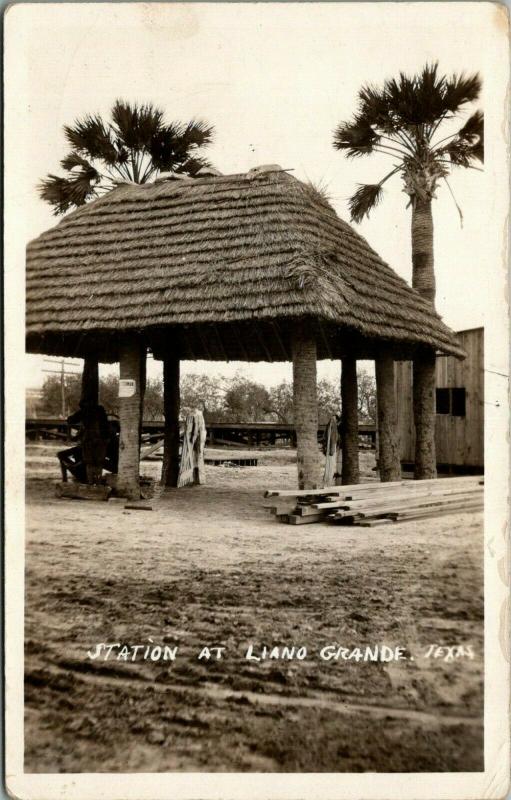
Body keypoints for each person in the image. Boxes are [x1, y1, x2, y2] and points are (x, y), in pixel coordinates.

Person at [67, 400, 110, 485]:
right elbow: (106, 428)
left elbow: (70, 420)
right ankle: (98, 482)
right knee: (99, 463)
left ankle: (90, 482)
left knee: (89, 463)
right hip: (101, 441)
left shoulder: (84, 411)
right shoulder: (100, 410)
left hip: (89, 440)